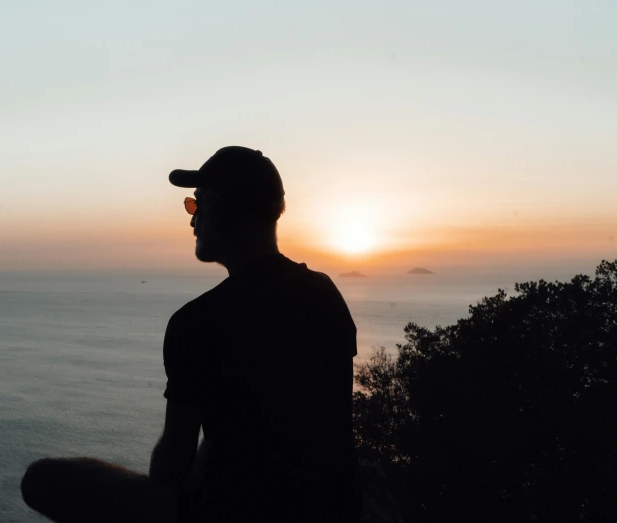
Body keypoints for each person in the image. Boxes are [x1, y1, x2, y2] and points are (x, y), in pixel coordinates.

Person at [21, 146, 362, 523]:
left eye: (195, 205)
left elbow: (172, 464)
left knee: (43, 479)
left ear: (216, 208)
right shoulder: (324, 293)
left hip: (230, 512)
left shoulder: (199, 321)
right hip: (330, 506)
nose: (191, 221)